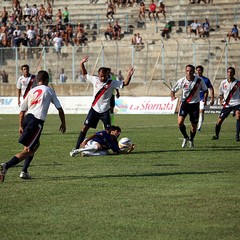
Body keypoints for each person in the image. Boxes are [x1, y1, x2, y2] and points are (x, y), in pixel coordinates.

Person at [0, 70, 66, 182]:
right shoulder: (49, 90)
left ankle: (24, 171)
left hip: (27, 119)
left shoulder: (31, 91)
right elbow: (59, 109)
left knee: (35, 145)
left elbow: (22, 111)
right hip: (36, 122)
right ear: (47, 80)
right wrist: (63, 123)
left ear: (36, 80)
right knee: (29, 150)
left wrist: (20, 126)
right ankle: (6, 166)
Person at [70, 55, 134, 156]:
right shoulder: (95, 79)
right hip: (94, 110)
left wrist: (130, 75)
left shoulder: (112, 83)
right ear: (98, 75)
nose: (102, 78)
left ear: (107, 75)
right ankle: (77, 148)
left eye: (104, 76)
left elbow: (125, 83)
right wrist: (81, 64)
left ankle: (114, 148)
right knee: (84, 128)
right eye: (100, 76)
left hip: (105, 111)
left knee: (110, 131)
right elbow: (85, 74)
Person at [170, 64, 208, 148]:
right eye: (187, 70)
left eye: (191, 71)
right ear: (185, 71)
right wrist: (172, 96)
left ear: (194, 71)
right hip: (184, 104)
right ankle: (185, 137)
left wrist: (205, 100)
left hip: (195, 105)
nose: (189, 72)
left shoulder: (199, 80)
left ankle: (191, 139)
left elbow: (206, 90)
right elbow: (173, 90)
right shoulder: (182, 81)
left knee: (194, 127)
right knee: (180, 123)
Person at [212, 67, 240, 141]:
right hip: (227, 104)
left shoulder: (238, 83)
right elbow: (221, 94)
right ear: (227, 73)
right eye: (228, 72)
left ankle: (237, 136)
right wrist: (221, 100)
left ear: (234, 73)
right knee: (219, 121)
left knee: (238, 116)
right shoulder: (223, 83)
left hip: (237, 103)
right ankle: (216, 135)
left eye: (231, 72)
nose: (230, 73)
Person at [70, 125, 134, 157]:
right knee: (99, 146)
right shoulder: (105, 133)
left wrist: (129, 151)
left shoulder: (114, 141)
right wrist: (85, 141)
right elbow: (94, 135)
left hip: (96, 148)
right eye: (117, 131)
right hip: (90, 142)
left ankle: (87, 154)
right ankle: (77, 151)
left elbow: (118, 151)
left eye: (119, 132)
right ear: (112, 131)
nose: (118, 133)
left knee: (106, 152)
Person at [196, 65, 214, 131]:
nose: (198, 71)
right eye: (197, 70)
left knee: (201, 112)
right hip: (195, 99)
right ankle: (195, 124)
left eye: (199, 70)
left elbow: (211, 89)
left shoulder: (206, 80)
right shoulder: (194, 79)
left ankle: (199, 127)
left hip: (203, 98)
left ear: (202, 71)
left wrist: (212, 98)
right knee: (196, 113)